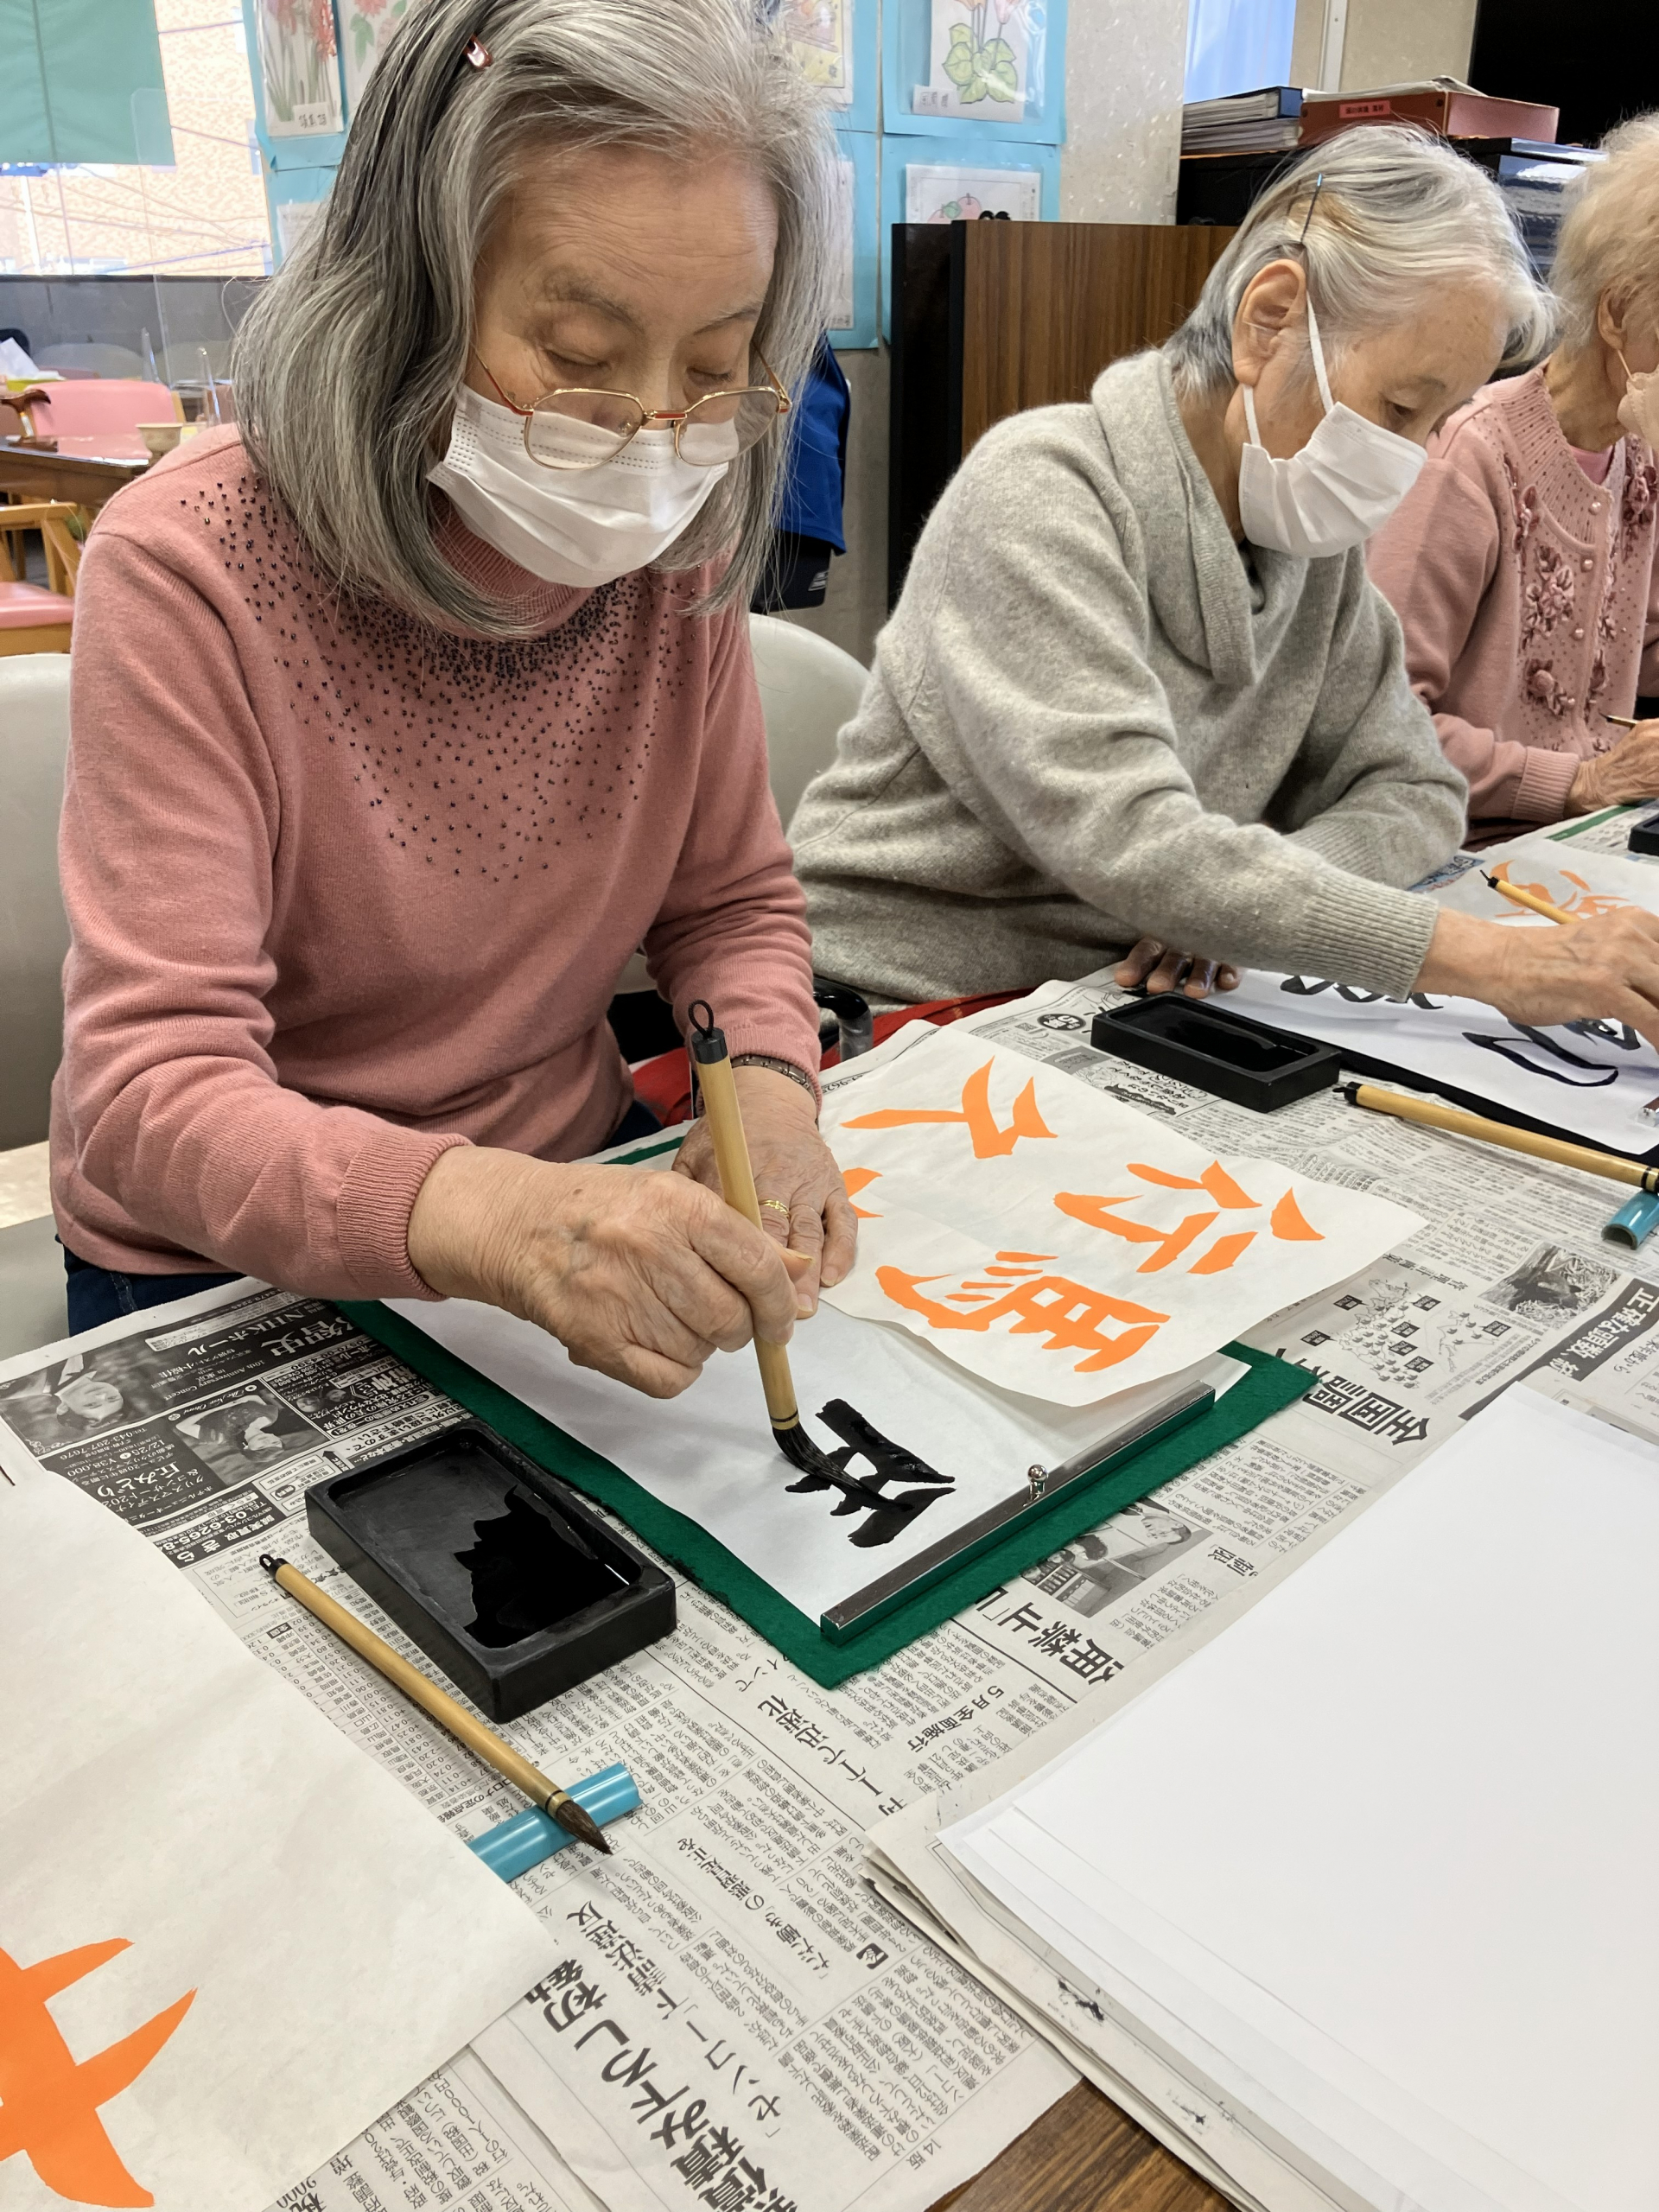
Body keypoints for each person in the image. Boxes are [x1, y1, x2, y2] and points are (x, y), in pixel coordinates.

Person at [52, 0, 856, 1396]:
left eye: (715, 368)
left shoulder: (676, 541)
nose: (655, 440)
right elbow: (150, 1095)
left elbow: (727, 906)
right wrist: (495, 1219)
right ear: (405, 300)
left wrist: (776, 1094)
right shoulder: (194, 566)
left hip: (570, 1181)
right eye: (582, 359)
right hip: (229, 1256)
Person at [791, 130, 1659, 1046]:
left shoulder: (1309, 540)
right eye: (1401, 408)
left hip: (1117, 996)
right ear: (1269, 320)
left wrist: (1239, 903)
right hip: (898, 1008)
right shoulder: (1041, 493)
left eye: (1434, 422)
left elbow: (1419, 792)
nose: (1408, 459)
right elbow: (1132, 842)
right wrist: (1503, 963)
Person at [1370, 115, 1659, 836]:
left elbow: (1641, 648)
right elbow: (1378, 726)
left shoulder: (1641, 452)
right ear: (1619, 312)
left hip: (1584, 838)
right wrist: (1581, 781)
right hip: (1462, 848)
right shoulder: (1468, 459)